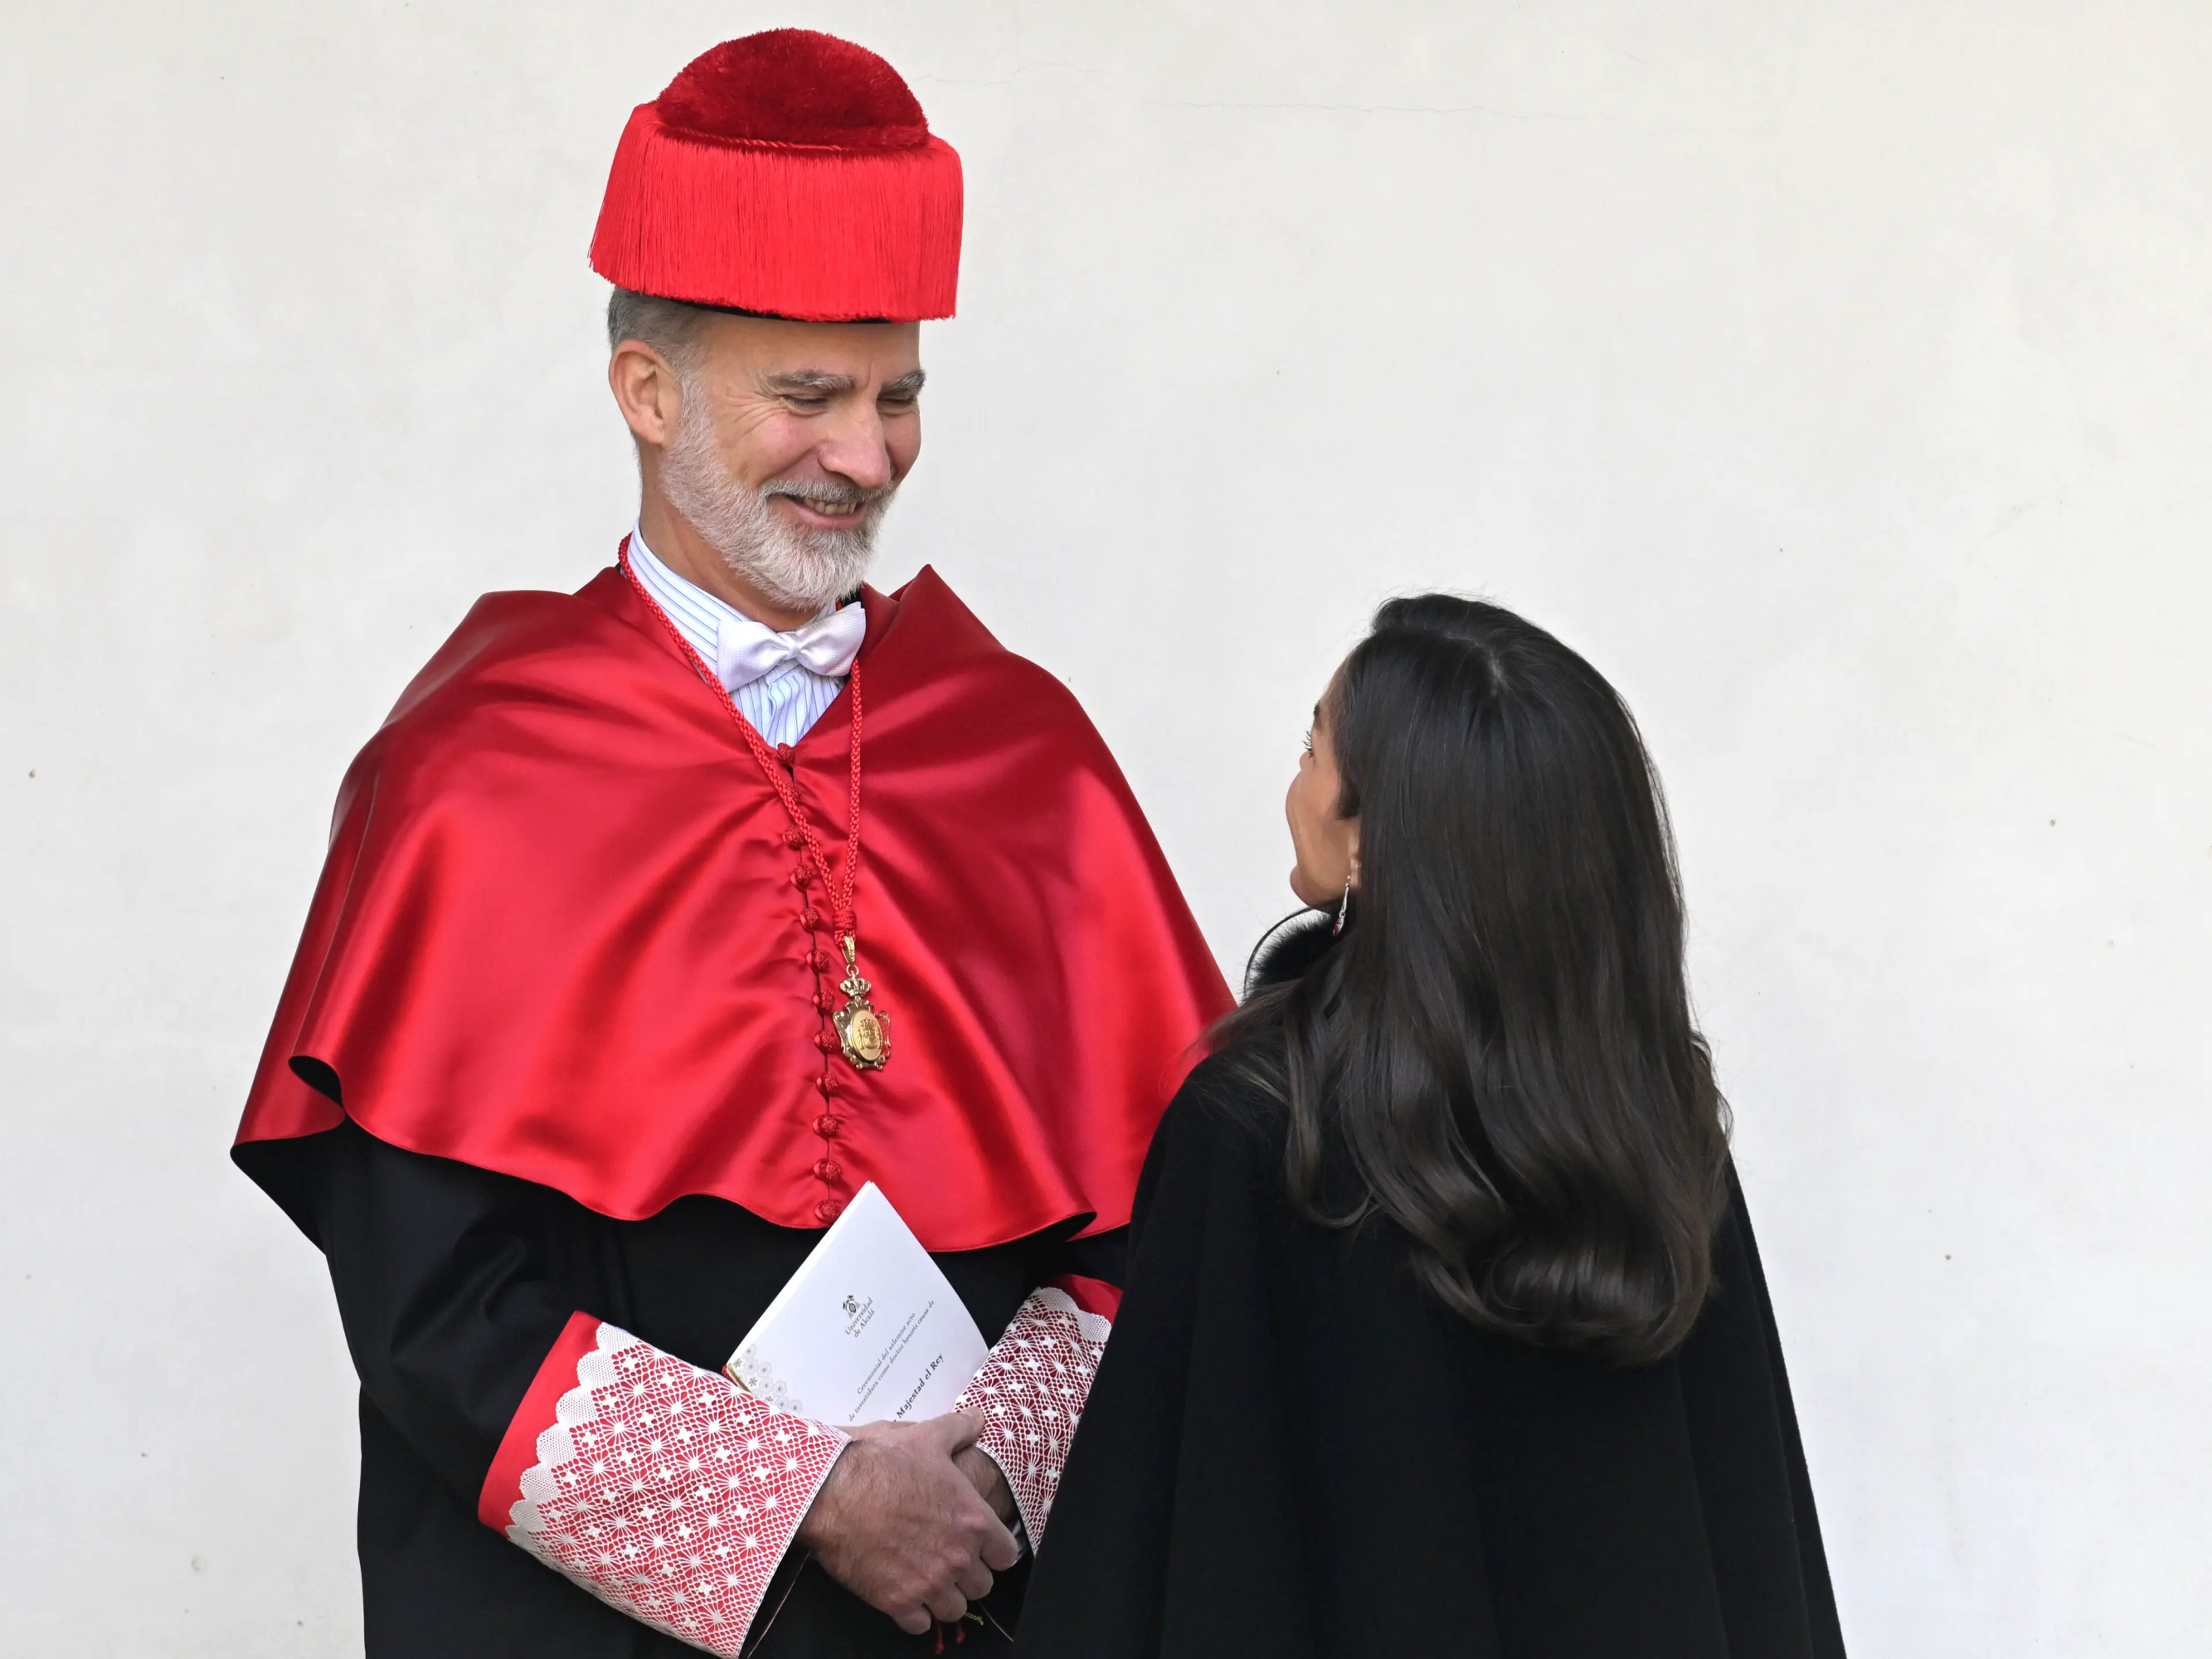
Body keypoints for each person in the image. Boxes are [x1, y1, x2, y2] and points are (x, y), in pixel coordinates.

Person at [231, 30, 1231, 1658]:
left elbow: (1161, 1229)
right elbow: (428, 1305)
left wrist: (985, 1471)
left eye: (897, 393)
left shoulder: (1027, 756)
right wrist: (812, 1500)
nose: (867, 452)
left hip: (972, 1616)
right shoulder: (471, 771)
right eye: (809, 394)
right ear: (647, 390)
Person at [1016, 596, 1848, 1657]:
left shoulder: (1264, 1131)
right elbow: (1754, 1554)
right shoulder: (1657, 1121)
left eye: (1312, 747)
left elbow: (1173, 1540)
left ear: (1375, 838)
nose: (1296, 785)